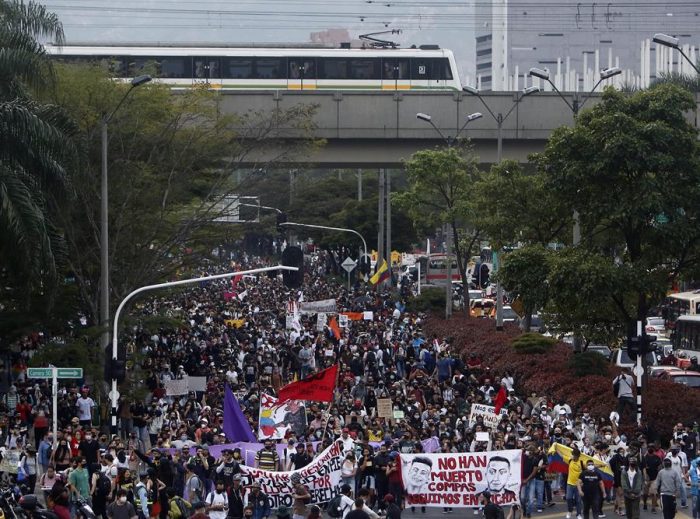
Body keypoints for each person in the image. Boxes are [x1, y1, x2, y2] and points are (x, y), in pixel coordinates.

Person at [642, 445, 662, 513]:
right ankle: (645, 503)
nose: (650, 449)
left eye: (652, 448)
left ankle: (653, 508)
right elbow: (643, 468)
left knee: (654, 494)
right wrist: (645, 476)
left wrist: (659, 476)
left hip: (654, 478)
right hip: (646, 478)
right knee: (645, 493)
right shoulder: (644, 458)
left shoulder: (657, 458)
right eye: (649, 448)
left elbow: (660, 467)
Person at [566, 448, 584, 519]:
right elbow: (561, 455)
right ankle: (570, 511)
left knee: (578, 500)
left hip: (578, 485)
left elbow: (589, 468)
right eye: (573, 455)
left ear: (578, 456)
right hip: (569, 483)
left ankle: (578, 514)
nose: (573, 456)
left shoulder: (582, 463)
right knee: (568, 498)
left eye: (575, 455)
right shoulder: (570, 460)